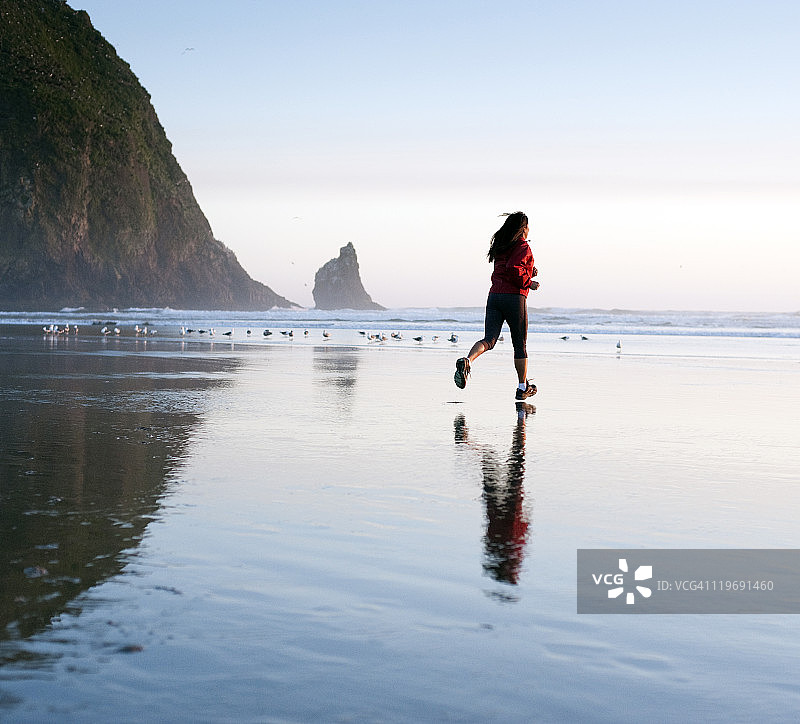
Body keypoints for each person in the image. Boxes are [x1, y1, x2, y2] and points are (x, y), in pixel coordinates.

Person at [454, 211, 539, 400]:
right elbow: (513, 270)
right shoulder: (523, 246)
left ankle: (468, 360)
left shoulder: (502, 245)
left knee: (490, 339)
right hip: (514, 299)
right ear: (523, 228)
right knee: (519, 345)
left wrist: (529, 272)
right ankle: (521, 387)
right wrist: (529, 282)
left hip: (494, 296)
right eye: (528, 226)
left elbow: (507, 268)